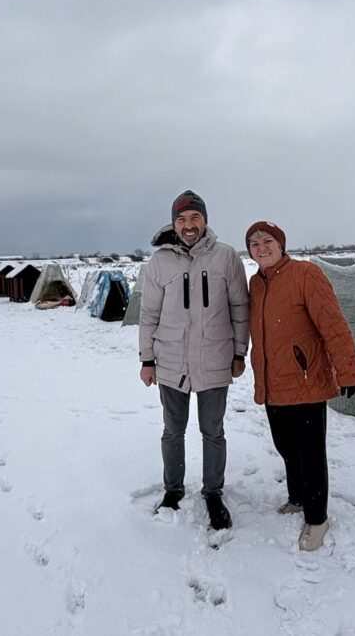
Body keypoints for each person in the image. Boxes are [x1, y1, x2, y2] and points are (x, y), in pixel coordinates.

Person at [245, 221, 355, 551]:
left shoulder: (305, 275)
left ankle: (317, 519)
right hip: (272, 383)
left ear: (281, 244)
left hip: (306, 380)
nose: (261, 247)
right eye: (254, 244)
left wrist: (349, 370)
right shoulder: (256, 284)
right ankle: (297, 497)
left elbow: (333, 324)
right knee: (285, 446)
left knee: (310, 453)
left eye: (267, 241)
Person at [139, 190, 250, 530]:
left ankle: (213, 493)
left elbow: (239, 309)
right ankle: (173, 491)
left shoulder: (227, 258)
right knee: (173, 431)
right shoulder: (159, 262)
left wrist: (238, 352)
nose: (189, 225)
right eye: (182, 219)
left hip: (215, 359)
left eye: (195, 217)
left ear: (205, 220)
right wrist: (147, 359)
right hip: (170, 360)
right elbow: (148, 313)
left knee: (212, 432)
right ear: (174, 223)